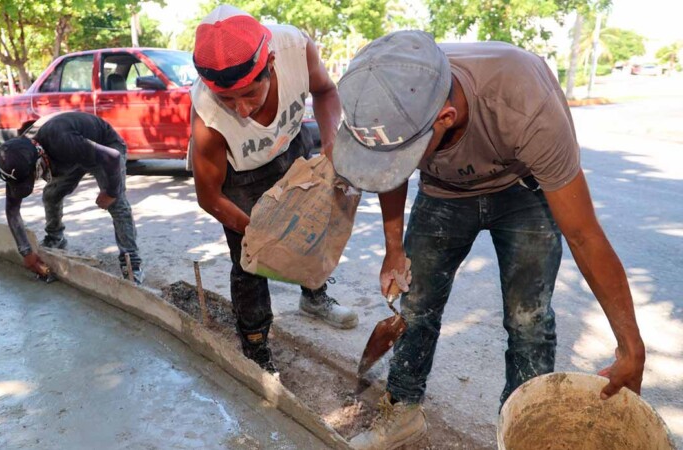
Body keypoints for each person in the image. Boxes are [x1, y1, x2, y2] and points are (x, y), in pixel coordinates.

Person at [332, 31, 645, 449]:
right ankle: (402, 410)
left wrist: (631, 348)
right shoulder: (390, 95)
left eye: (408, 151)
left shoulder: (524, 102)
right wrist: (393, 249)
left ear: (443, 118)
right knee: (416, 305)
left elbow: (585, 235)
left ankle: (523, 433)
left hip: (524, 190)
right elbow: (391, 169)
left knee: (528, 321)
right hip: (443, 195)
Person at [190, 5, 358, 374]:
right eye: (228, 99)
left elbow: (327, 91)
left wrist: (330, 143)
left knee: (310, 229)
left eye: (250, 93)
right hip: (241, 176)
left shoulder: (295, 47)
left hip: (293, 146)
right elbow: (209, 197)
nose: (243, 110)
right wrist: (260, 234)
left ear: (270, 62)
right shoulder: (208, 117)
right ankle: (255, 347)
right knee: (250, 262)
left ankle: (314, 297)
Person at [0, 112, 143, 283]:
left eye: (33, 177)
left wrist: (111, 192)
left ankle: (132, 262)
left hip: (105, 149)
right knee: (51, 195)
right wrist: (26, 252)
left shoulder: (62, 140)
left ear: (38, 162)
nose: (33, 181)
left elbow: (113, 157)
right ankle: (55, 239)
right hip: (72, 157)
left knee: (117, 204)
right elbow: (12, 210)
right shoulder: (16, 160)